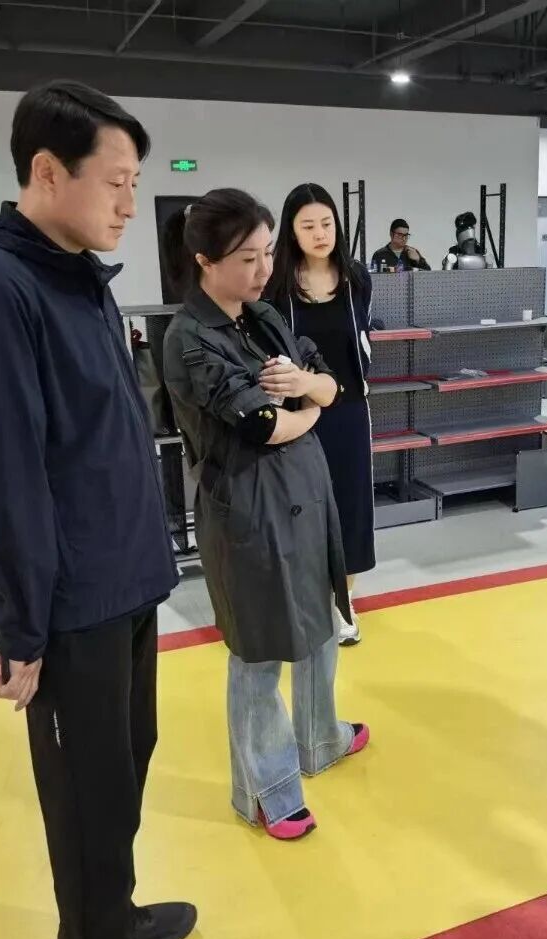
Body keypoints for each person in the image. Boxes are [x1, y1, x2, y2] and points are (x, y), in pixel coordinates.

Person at [0, 80, 196, 939]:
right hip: (72, 599)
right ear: (47, 171)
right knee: (85, 791)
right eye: (115, 182)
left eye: (135, 183)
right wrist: (20, 625)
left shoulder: (78, 276)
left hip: (127, 577)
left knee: (124, 764)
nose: (130, 204)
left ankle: (110, 914)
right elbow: (1, 474)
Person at [160, 188, 370, 841]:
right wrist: (309, 406)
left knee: (320, 623)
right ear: (205, 260)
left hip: (306, 490)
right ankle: (267, 790)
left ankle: (321, 737)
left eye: (266, 253)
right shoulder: (190, 339)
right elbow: (261, 424)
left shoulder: (263, 317)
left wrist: (306, 393)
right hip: (250, 507)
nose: (261, 269)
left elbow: (331, 382)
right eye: (246, 258)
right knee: (258, 650)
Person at [266, 183, 379, 646]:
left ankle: (343, 601)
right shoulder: (277, 284)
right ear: (292, 231)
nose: (320, 233)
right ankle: (304, 598)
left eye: (327, 223)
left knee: (350, 505)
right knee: (301, 506)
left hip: (349, 410)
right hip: (300, 415)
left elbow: (363, 340)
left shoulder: (356, 279)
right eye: (308, 225)